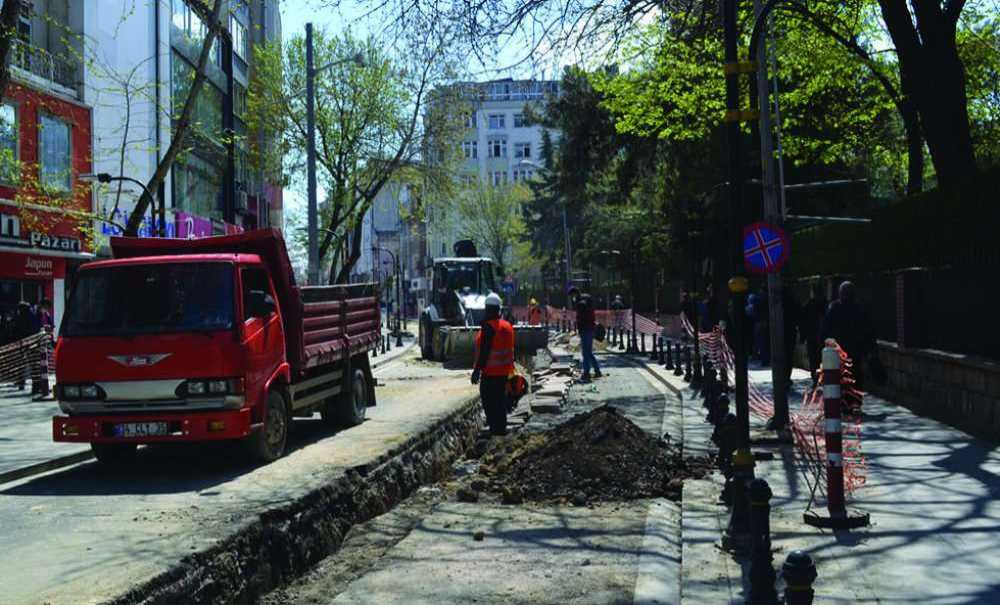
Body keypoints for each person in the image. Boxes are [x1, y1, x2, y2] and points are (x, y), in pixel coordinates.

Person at [471, 293, 515, 436]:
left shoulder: (489, 328)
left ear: (488, 309)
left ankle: (495, 431)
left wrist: (477, 371)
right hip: (504, 372)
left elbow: (485, 352)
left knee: (489, 403)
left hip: (490, 373)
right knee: (500, 403)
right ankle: (500, 430)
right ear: (499, 309)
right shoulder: (507, 326)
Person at [821, 281, 876, 388]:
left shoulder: (835, 308)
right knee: (854, 379)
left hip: (842, 352)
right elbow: (869, 331)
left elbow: (825, 330)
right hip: (851, 351)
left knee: (844, 381)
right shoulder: (859, 308)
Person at [570, 287, 602, 382]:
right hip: (589, 328)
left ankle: (586, 373)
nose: (572, 298)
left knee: (585, 352)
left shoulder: (581, 303)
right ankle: (597, 370)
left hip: (586, 329)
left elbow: (581, 315)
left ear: (574, 294)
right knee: (588, 352)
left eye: (572, 296)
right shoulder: (585, 300)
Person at [800, 283, 827, 385]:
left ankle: (815, 379)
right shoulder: (826, 304)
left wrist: (803, 336)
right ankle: (820, 378)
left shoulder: (808, 304)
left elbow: (803, 322)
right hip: (823, 337)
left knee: (813, 358)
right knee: (822, 358)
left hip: (812, 336)